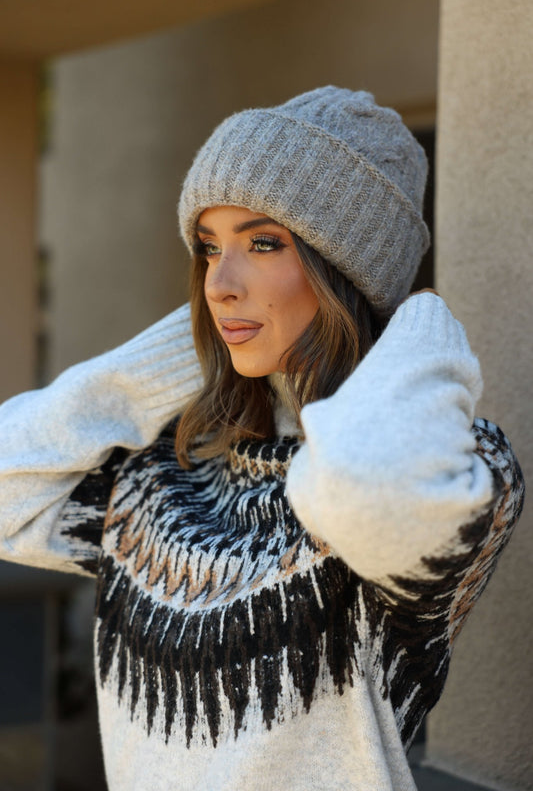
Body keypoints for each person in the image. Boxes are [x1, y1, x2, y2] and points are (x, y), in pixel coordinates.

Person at [0, 87, 525, 791]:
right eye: (209, 249)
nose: (218, 284)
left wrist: (416, 326)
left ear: (345, 271)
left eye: (263, 243)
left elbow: (364, 496)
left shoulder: (462, 470)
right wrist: (170, 361)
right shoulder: (167, 472)